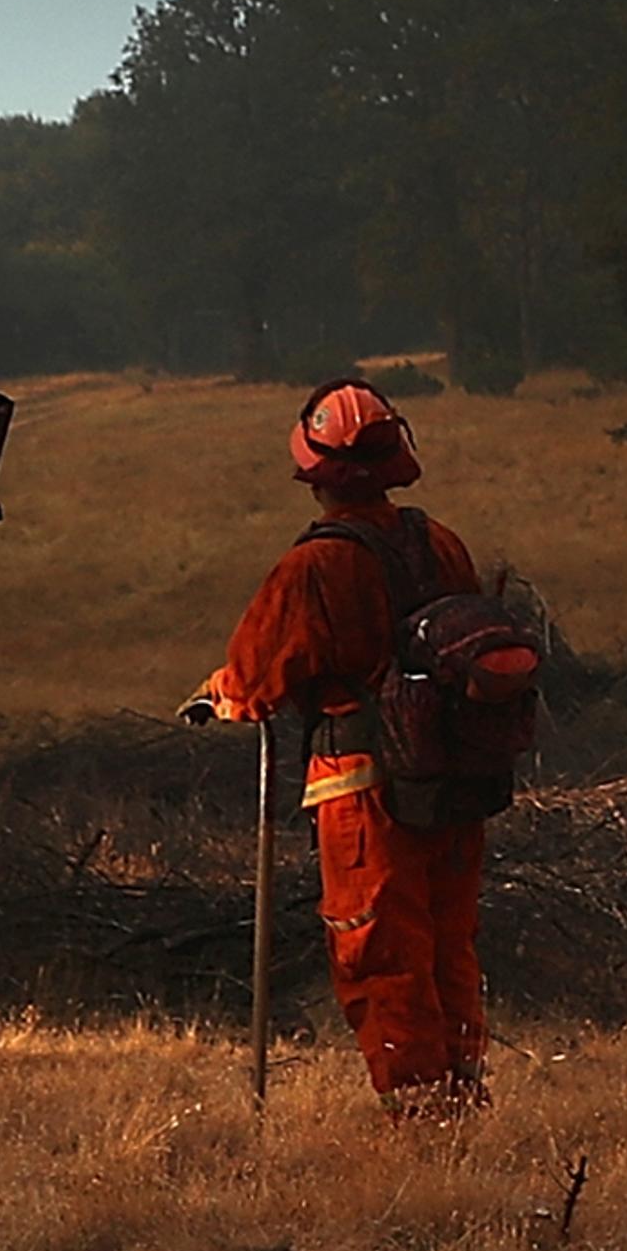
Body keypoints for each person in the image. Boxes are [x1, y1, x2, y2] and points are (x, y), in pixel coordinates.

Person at [198, 379, 502, 1117]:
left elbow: (256, 675)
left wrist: (219, 696)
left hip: (362, 786)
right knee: (447, 942)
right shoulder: (441, 542)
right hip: (455, 780)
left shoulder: (315, 566)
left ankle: (423, 1115)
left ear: (314, 472)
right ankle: (462, 1091)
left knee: (378, 946)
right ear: (399, 458)